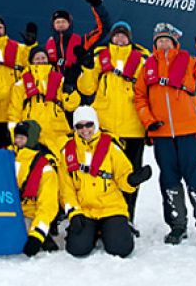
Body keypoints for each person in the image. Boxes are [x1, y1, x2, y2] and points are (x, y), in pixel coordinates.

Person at [134, 23, 196, 249]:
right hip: (162, 134)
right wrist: (148, 120)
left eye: (167, 40)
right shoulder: (147, 68)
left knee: (195, 179)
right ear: (154, 44)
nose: (163, 43)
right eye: (159, 41)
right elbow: (140, 98)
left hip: (188, 132)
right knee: (169, 181)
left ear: (174, 43)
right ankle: (177, 225)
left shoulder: (189, 62)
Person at [76, 20, 149, 233]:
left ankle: (127, 218)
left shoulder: (142, 60)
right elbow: (86, 88)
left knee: (131, 177)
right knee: (102, 175)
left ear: (130, 38)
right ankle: (104, 219)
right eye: (116, 34)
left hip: (133, 128)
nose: (119, 38)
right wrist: (88, 69)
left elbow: (149, 91)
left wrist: (150, 124)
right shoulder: (100, 57)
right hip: (106, 129)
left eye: (123, 35)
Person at [58, 106, 152, 259]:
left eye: (89, 124)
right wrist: (74, 213)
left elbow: (123, 176)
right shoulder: (67, 152)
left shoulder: (110, 146)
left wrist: (132, 180)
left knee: (121, 249)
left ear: (95, 124)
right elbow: (66, 190)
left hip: (111, 207)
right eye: (79, 126)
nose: (85, 130)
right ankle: (93, 232)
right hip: (85, 209)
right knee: (77, 249)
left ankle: (115, 228)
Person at [8, 46, 80, 155]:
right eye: (37, 58)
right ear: (31, 61)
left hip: (58, 133)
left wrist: (69, 89)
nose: (41, 61)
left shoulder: (60, 79)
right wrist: (15, 137)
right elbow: (14, 113)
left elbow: (71, 106)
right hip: (32, 135)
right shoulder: (21, 84)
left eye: (43, 57)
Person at [0, 15, 36, 148]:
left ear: (5, 30)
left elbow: (34, 62)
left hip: (11, 110)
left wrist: (31, 45)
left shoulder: (19, 48)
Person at [10, 120, 60, 257]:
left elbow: (47, 205)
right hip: (7, 212)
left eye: (22, 137)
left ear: (31, 139)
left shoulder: (44, 167)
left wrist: (36, 235)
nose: (18, 140)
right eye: (16, 136)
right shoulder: (7, 157)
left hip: (29, 215)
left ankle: (41, 234)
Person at [45, 0, 109, 74]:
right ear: (53, 25)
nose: (60, 24)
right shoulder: (48, 45)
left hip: (76, 85)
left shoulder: (82, 42)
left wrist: (97, 5)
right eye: (57, 22)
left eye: (63, 21)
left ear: (69, 24)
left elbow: (103, 28)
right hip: (54, 87)